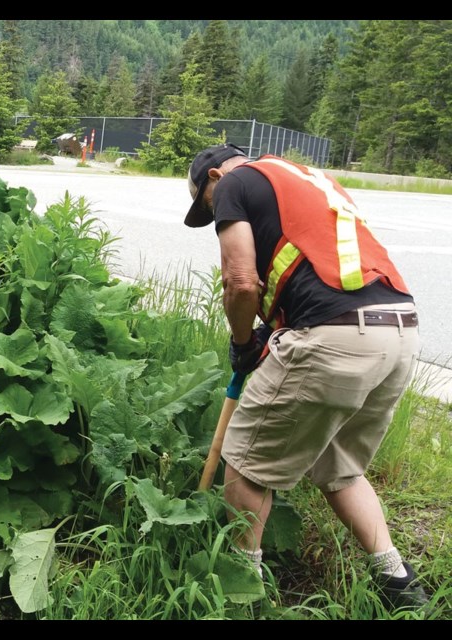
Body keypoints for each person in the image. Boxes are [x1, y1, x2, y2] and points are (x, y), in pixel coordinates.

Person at [184, 142, 431, 614]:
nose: (214, 215)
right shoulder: (305, 179)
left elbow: (240, 280)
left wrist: (242, 343)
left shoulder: (236, 182)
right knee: (340, 468)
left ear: (215, 177)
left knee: (246, 464)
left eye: (207, 208)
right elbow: (319, 267)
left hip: (336, 338)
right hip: (398, 330)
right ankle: (399, 583)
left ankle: (242, 593)